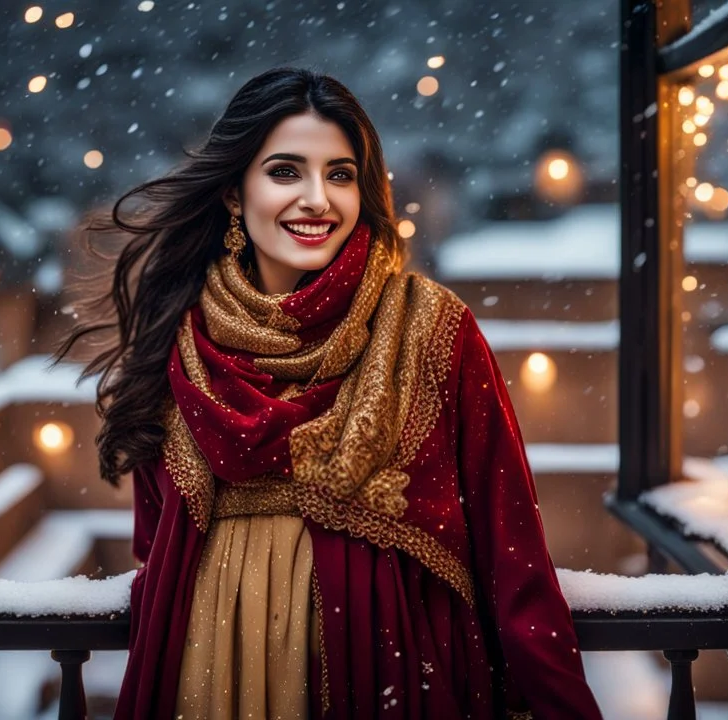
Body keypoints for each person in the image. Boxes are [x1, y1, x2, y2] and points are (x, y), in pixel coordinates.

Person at [54, 67, 603, 720]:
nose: (317, 199)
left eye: (339, 174)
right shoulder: (180, 344)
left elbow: (514, 556)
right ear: (234, 192)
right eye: (286, 171)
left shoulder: (430, 330)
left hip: (392, 682)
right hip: (209, 682)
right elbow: (156, 543)